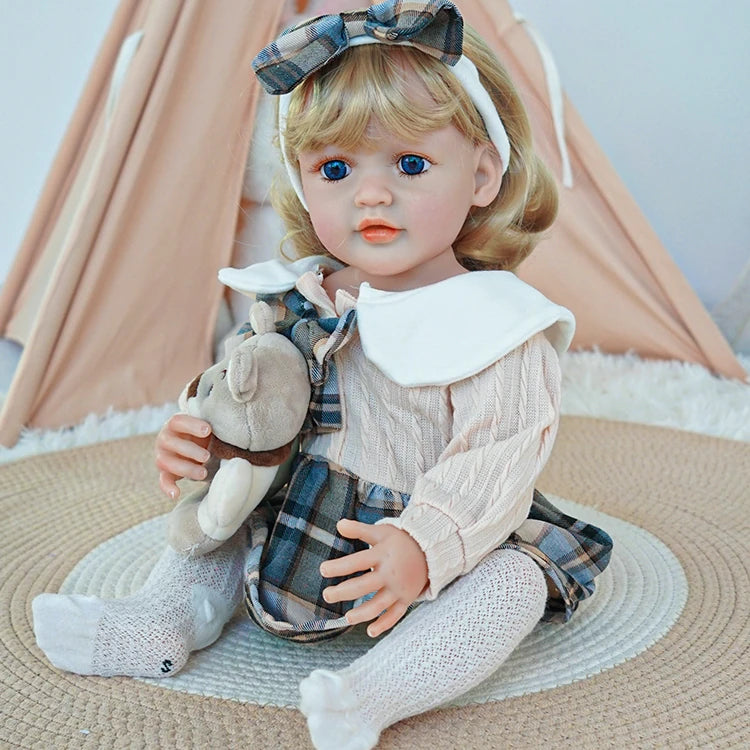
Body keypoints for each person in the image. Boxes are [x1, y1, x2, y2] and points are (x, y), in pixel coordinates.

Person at [33, 2, 612, 748]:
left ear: (482, 173)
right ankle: (165, 616)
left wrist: (426, 543)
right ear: (305, 184)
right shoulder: (292, 297)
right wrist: (200, 441)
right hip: (300, 513)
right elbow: (246, 389)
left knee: (513, 583)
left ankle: (379, 689)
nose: (370, 195)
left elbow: (497, 457)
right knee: (223, 514)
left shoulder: (498, 326)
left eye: (410, 164)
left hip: (438, 531)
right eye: (336, 169)